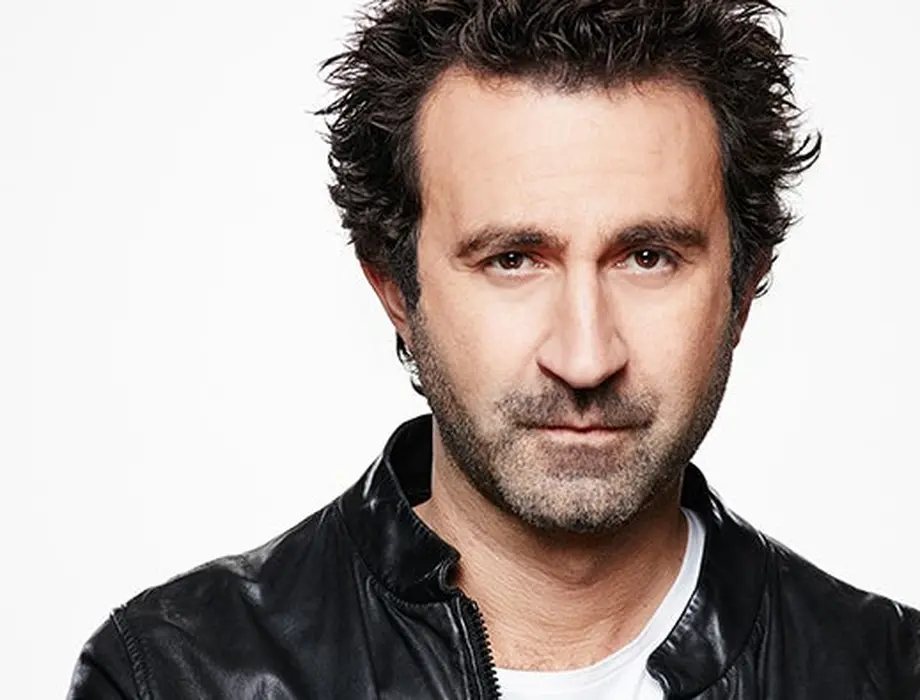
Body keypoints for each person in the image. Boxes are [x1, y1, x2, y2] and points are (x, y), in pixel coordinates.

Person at [67, 0, 920, 698]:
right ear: (396, 292)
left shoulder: (889, 674)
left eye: (648, 257)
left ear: (742, 289)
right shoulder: (175, 677)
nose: (585, 358)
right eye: (513, 259)